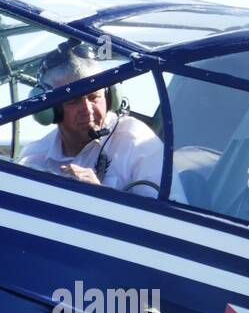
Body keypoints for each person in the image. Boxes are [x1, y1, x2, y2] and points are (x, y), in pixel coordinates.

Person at [19, 44, 180, 201]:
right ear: (49, 109)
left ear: (110, 97)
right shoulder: (34, 157)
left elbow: (173, 222)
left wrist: (102, 198)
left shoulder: (138, 143)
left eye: (94, 97)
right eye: (73, 101)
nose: (87, 110)